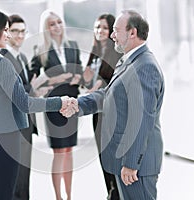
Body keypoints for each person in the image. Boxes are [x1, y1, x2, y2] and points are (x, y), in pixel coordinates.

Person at [0, 9, 75, 200]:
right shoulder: (1, 64)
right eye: (4, 30)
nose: (8, 34)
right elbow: (24, 103)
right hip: (6, 139)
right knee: (5, 193)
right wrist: (59, 102)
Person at [61, 10, 165, 200]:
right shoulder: (128, 61)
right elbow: (109, 95)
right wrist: (78, 104)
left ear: (132, 33)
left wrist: (131, 163)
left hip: (136, 167)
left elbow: (141, 119)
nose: (112, 35)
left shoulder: (145, 66)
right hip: (125, 160)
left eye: (116, 30)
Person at [0, 14, 53, 200]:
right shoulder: (2, 59)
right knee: (15, 178)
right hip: (13, 126)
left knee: (24, 176)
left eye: (23, 31)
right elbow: (14, 91)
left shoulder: (21, 57)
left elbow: (25, 87)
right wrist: (34, 88)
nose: (20, 35)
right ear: (6, 33)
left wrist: (37, 89)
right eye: (15, 31)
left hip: (26, 124)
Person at [30, 9, 83, 200]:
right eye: (52, 24)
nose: (57, 27)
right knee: (58, 151)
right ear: (46, 28)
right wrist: (56, 79)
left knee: (69, 151)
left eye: (59, 22)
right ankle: (58, 197)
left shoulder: (73, 46)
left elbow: (81, 72)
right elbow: (33, 81)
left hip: (72, 104)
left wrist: (78, 77)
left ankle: (69, 196)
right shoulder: (40, 51)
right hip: (53, 106)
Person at [83, 13, 122, 200]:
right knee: (102, 153)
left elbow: (114, 82)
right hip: (97, 112)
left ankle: (117, 192)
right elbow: (87, 82)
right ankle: (111, 192)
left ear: (111, 31)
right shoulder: (94, 53)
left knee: (112, 153)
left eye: (104, 28)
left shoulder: (116, 53)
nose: (100, 31)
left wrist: (97, 84)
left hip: (111, 111)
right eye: (97, 27)